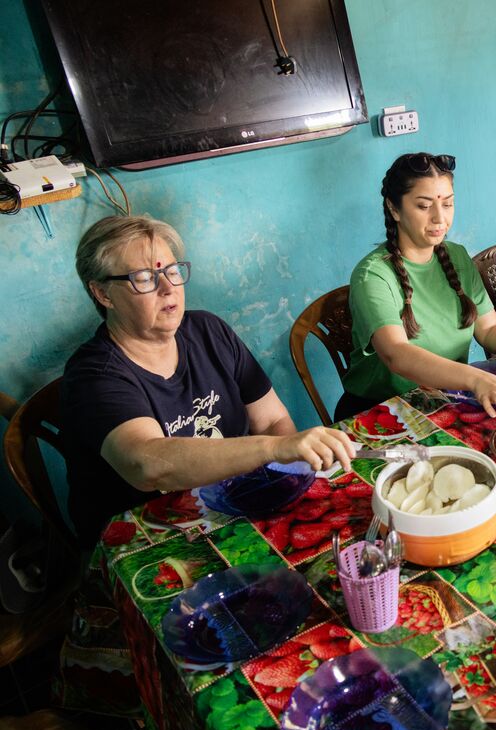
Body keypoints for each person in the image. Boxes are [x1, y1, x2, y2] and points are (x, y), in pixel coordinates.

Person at [61, 216, 355, 548]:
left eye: (172, 271)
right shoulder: (93, 376)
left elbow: (272, 419)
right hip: (147, 544)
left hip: (232, 506)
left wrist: (288, 483)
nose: (168, 287)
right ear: (103, 293)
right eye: (144, 278)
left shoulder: (208, 332)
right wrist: (274, 449)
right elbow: (146, 465)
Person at [337, 153, 496, 424]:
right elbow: (396, 354)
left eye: (448, 204)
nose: (440, 218)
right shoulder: (373, 275)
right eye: (424, 206)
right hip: (383, 414)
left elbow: (488, 329)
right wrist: (475, 378)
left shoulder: (456, 257)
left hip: (444, 403)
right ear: (394, 209)